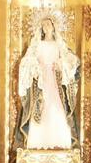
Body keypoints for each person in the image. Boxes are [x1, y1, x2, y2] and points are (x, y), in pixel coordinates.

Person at [15, 16, 80, 149]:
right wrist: (36, 67)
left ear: (53, 26)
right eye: (44, 25)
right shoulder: (37, 44)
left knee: (56, 107)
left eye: (48, 25)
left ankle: (59, 142)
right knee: (40, 107)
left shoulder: (59, 45)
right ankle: (38, 143)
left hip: (55, 80)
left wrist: (60, 65)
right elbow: (27, 60)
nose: (46, 28)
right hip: (41, 80)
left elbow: (70, 60)